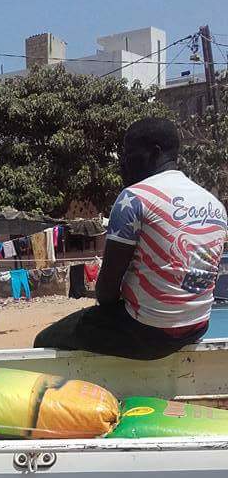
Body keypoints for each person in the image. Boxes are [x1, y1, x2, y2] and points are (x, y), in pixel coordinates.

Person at [34, 118, 228, 359]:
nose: (123, 163)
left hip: (149, 333)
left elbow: (106, 292)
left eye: (128, 154)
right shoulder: (215, 204)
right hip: (198, 326)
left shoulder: (135, 198)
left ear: (154, 153)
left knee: (45, 339)